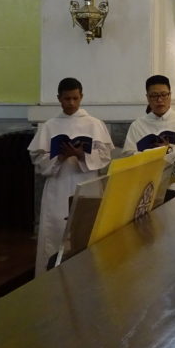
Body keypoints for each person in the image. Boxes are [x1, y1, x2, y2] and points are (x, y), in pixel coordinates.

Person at [28, 77, 114, 274]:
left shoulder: (94, 124)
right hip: (58, 186)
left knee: (85, 231)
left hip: (87, 184)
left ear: (81, 96)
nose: (72, 103)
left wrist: (82, 154)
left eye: (75, 98)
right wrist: (58, 157)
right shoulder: (50, 125)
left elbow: (105, 156)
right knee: (56, 232)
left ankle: (88, 276)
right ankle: (51, 279)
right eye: (67, 99)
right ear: (59, 98)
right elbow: (38, 160)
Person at [124, 75, 175, 162]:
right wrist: (151, 154)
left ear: (170, 95)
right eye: (154, 96)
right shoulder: (137, 126)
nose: (159, 100)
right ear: (147, 97)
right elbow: (128, 156)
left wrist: (170, 150)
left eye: (163, 94)